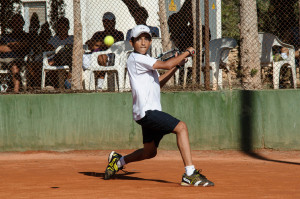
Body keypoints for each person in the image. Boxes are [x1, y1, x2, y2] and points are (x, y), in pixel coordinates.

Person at [104, 25, 214, 187]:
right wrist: (187, 52)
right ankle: (190, 174)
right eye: (139, 39)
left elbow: (159, 82)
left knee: (149, 152)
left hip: (148, 112)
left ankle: (118, 162)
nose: (143, 42)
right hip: (147, 112)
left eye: (146, 38)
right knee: (181, 127)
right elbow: (166, 64)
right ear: (131, 42)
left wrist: (177, 65)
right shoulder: (136, 58)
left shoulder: (145, 62)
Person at [0, 14, 30, 92]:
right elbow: (0, 48)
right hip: (2, 59)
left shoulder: (25, 36)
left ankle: (16, 91)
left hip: (16, 59)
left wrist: (8, 46)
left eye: (18, 22)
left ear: (22, 23)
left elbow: (23, 45)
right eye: (14, 22)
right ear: (12, 24)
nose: (16, 24)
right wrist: (13, 46)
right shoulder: (5, 36)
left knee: (15, 67)